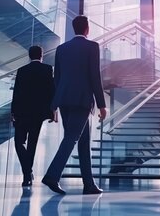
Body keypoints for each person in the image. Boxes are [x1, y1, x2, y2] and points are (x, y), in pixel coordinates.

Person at [42, 15, 107, 195]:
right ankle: (52, 176)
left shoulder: (62, 48)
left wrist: (54, 104)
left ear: (74, 28)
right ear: (87, 29)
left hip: (64, 100)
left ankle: (89, 184)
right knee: (72, 137)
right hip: (81, 100)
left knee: (83, 141)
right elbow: (95, 76)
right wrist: (102, 105)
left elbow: (58, 78)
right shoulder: (92, 47)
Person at [11, 45, 56, 187]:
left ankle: (27, 174)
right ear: (41, 55)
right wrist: (52, 111)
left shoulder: (22, 70)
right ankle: (27, 172)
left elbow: (16, 92)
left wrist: (13, 111)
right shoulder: (48, 69)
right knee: (32, 143)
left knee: (19, 143)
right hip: (38, 113)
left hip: (22, 112)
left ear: (29, 56)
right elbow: (51, 92)